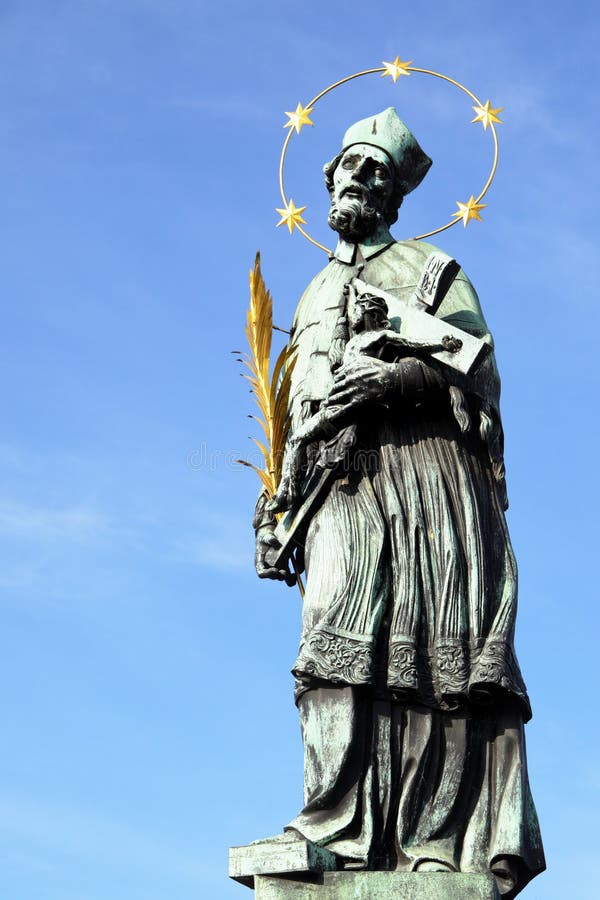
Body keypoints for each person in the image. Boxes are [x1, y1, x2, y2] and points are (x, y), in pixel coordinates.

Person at [253, 107, 545, 898]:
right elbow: (295, 404)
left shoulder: (431, 271)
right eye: (349, 163)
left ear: (397, 192)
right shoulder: (316, 289)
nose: (359, 177)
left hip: (422, 480)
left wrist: (396, 378)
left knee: (428, 652)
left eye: (376, 169)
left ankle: (433, 841)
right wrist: (278, 500)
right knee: (330, 646)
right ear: (325, 179)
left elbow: (476, 372)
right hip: (337, 487)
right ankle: (332, 824)